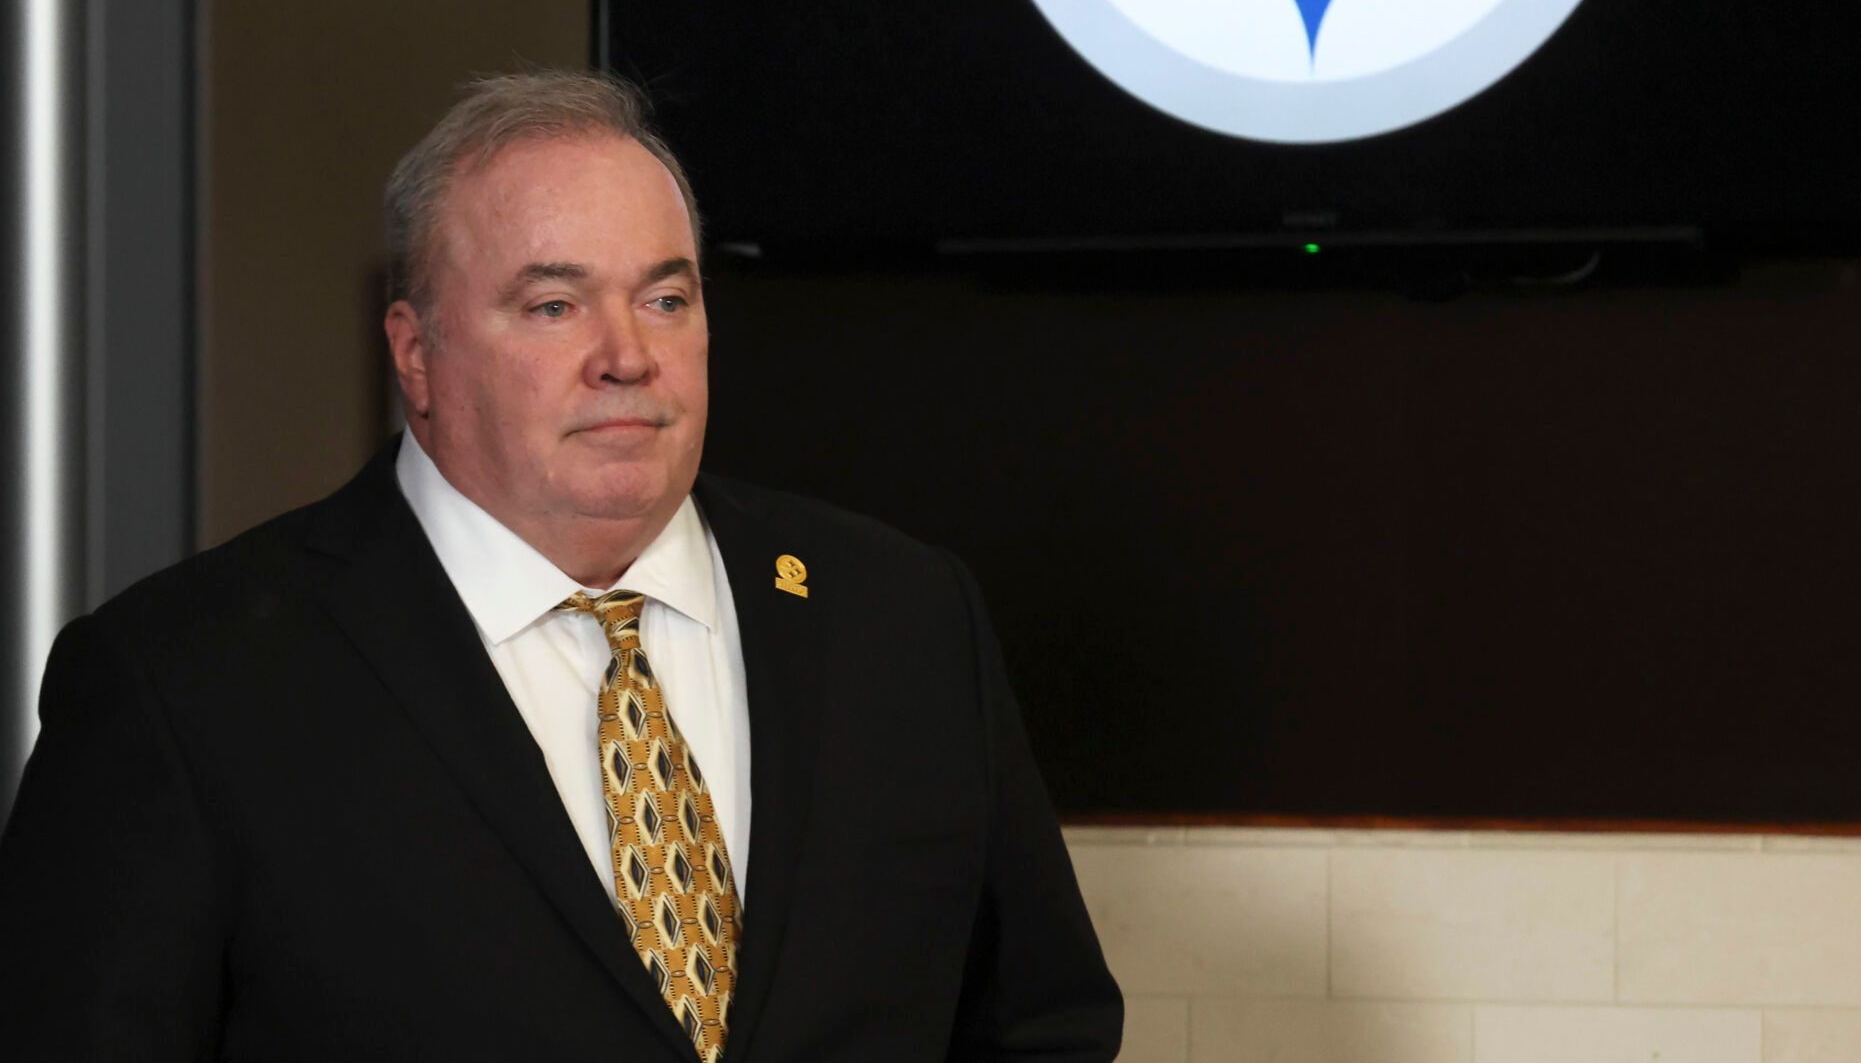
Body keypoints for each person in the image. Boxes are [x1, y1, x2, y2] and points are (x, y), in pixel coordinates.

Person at [0, 71, 1122, 1061]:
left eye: (666, 299)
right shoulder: (186, 685)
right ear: (416, 356)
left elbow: (1040, 1029)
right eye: (553, 304)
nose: (627, 356)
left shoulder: (905, 616)